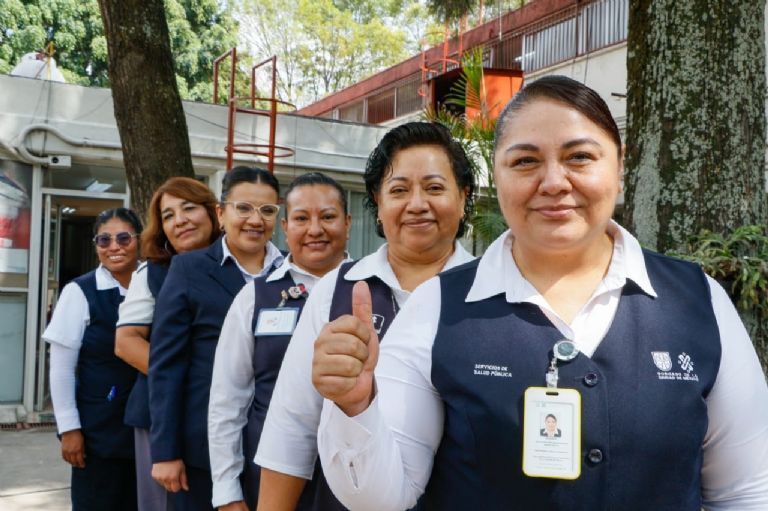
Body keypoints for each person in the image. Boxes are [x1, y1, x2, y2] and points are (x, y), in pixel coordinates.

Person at [313, 76, 768, 510]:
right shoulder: (437, 308)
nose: (553, 182)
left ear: (620, 165)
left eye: (580, 157)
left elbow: (748, 492)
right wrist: (356, 410)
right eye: (526, 161)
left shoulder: (697, 301)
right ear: (498, 174)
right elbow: (382, 497)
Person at [255, 121, 477, 510]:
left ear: (463, 196)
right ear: (378, 202)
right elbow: (292, 424)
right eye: (399, 190)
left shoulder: (490, 297)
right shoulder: (337, 289)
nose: (417, 204)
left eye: (435, 187)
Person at [208, 172, 352, 511]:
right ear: (286, 226)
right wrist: (227, 491)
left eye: (328, 217)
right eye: (302, 218)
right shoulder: (255, 297)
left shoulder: (372, 291)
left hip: (356, 481)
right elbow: (227, 402)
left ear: (347, 222)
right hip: (271, 481)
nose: (315, 229)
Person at [149, 167, 284, 511]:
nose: (255, 220)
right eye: (244, 208)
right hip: (202, 448)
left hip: (276, 445)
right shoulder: (189, 270)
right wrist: (166, 452)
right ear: (222, 213)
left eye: (267, 210)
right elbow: (165, 365)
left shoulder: (290, 273)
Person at [116, 177, 219, 511]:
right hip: (161, 417)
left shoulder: (242, 266)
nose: (181, 220)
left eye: (189, 208)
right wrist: (189, 380)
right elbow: (126, 342)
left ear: (213, 212)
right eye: (169, 215)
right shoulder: (152, 273)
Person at [44, 207, 143, 510]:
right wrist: (70, 429)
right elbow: (61, 368)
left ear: (138, 240)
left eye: (124, 238)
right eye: (104, 240)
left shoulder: (153, 283)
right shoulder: (80, 291)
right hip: (99, 432)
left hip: (145, 429)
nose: (114, 246)